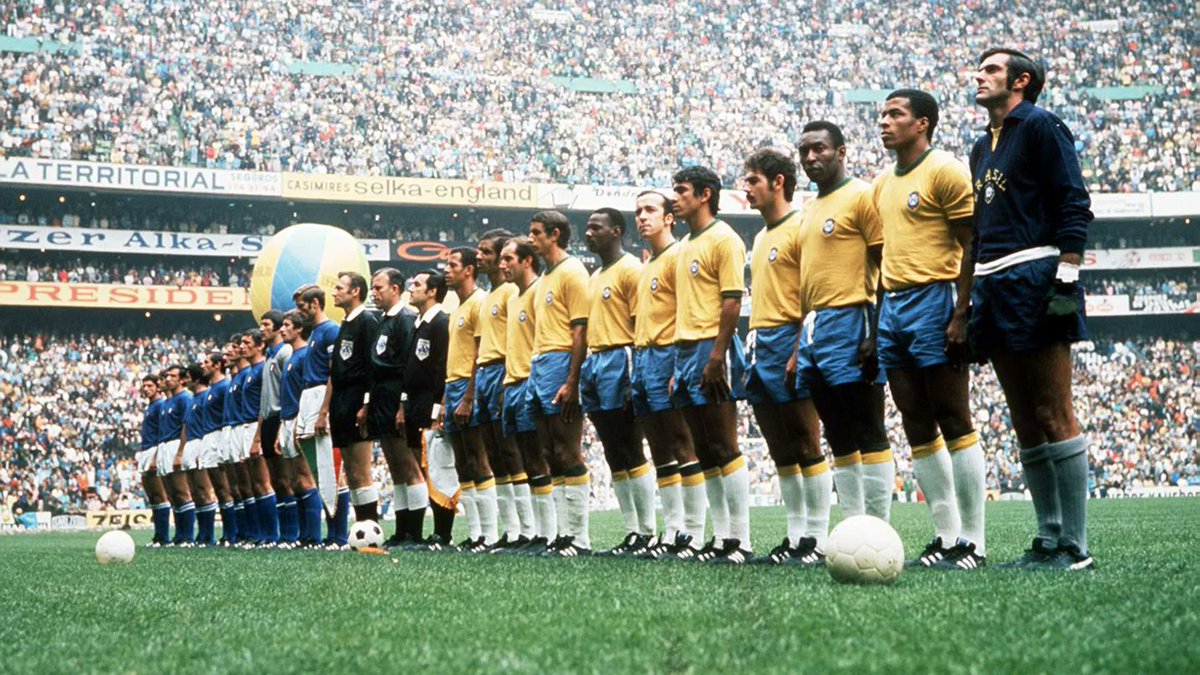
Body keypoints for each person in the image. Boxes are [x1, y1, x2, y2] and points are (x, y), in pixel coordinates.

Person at [970, 48, 1094, 570]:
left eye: (992, 69)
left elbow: (1073, 200)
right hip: (992, 282)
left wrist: (1066, 275)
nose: (980, 75)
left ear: (1021, 81)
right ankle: (1047, 539)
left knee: (1053, 410)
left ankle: (1076, 547)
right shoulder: (981, 147)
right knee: (1023, 418)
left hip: (1036, 273)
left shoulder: (1043, 126)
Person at [874, 89, 986, 570]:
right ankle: (945, 535)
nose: (884, 122)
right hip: (893, 305)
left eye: (895, 114)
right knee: (915, 420)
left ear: (923, 124)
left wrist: (961, 312)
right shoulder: (882, 183)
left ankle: (974, 543)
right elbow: (883, 255)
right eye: (882, 114)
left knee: (953, 417)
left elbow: (970, 243)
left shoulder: (945, 170)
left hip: (936, 298)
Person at [795, 121, 894, 524]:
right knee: (835, 431)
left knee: (867, 424)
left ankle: (878, 527)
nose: (810, 158)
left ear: (841, 152)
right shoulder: (809, 208)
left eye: (819, 149)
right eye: (804, 151)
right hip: (816, 326)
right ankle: (855, 524)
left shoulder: (862, 196)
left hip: (854, 316)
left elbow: (884, 263)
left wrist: (876, 328)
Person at [741, 148, 830, 566]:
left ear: (778, 182)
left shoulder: (801, 227)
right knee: (779, 445)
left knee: (804, 439)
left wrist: (798, 350)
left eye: (753, 180)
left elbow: (810, 297)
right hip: (760, 343)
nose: (746, 188)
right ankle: (795, 537)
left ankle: (817, 538)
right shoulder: (759, 237)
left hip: (790, 338)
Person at [670, 166, 752, 564]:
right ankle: (720, 538)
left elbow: (732, 300)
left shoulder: (724, 239)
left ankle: (741, 539)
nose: (675, 197)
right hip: (684, 350)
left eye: (682, 191)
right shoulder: (685, 244)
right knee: (703, 447)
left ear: (705, 194)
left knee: (723, 443)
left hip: (710, 347)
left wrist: (718, 355)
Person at [629, 191, 705, 560]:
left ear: (669, 217)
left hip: (667, 354)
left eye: (650, 210)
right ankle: (673, 529)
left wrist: (678, 365)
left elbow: (685, 313)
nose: (642, 217)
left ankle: (692, 532)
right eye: (638, 212)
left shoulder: (678, 256)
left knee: (680, 441)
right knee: (659, 448)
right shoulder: (647, 265)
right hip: (643, 358)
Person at [582, 207, 653, 557]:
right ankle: (632, 531)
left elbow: (640, 324)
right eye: (588, 227)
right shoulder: (595, 275)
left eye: (597, 227)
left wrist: (634, 376)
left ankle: (648, 531)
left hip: (620, 357)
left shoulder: (631, 270)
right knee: (612, 450)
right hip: (596, 361)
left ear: (616, 231)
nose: (589, 233)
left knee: (629, 444)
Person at [527, 210, 592, 557]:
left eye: (537, 233)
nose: (531, 238)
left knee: (567, 449)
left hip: (560, 361)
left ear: (555, 234)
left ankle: (579, 537)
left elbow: (579, 330)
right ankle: (562, 535)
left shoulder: (572, 271)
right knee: (550, 453)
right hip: (539, 363)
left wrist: (572, 378)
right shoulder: (546, 277)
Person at [473, 230, 534, 549]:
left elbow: (518, 339)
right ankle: (510, 531)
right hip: (485, 372)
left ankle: (528, 529)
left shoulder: (512, 292)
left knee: (512, 453)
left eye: (485, 252)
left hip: (504, 372)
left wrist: (510, 374)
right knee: (495, 455)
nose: (479, 257)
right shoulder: (489, 294)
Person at [497, 236, 553, 555]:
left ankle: (549, 532)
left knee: (540, 457)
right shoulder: (514, 298)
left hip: (532, 381)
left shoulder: (537, 293)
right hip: (513, 384)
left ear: (526, 260)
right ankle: (535, 532)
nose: (502, 265)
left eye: (508, 259)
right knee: (527, 461)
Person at [361, 268, 424, 547]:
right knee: (396, 468)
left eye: (378, 288)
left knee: (408, 466)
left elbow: (409, 367)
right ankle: (401, 531)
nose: (374, 293)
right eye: (373, 288)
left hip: (397, 397)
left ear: (395, 288)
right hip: (380, 397)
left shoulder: (406, 319)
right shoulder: (382, 321)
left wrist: (403, 405)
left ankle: (415, 532)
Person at [442, 247, 498, 550]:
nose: (446, 269)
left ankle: (489, 534)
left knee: (477, 458)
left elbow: (478, 353)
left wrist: (469, 396)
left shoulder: (478, 303)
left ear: (468, 270)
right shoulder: (457, 307)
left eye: (452, 265)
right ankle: (475, 532)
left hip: (467, 385)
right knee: (462, 463)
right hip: (453, 386)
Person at [294, 284, 348, 548]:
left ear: (315, 303)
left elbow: (333, 373)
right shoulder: (315, 332)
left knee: (332, 468)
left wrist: (324, 410)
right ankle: (330, 532)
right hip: (308, 398)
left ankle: (339, 534)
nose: (299, 312)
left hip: (320, 397)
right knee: (318, 470)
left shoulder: (330, 331)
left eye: (302, 307)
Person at [328, 271, 382, 531]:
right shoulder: (345, 322)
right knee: (350, 469)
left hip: (356, 398)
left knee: (361, 470)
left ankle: (371, 527)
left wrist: (366, 404)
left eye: (340, 287)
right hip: (340, 400)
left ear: (355, 291)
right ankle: (362, 525)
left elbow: (374, 367)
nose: (334, 292)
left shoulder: (368, 321)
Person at [403, 269, 453, 547]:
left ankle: (442, 533)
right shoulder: (418, 323)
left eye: (417, 284)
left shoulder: (441, 323)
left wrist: (439, 405)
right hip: (413, 401)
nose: (411, 288)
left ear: (432, 291)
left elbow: (443, 367)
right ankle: (420, 533)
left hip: (430, 402)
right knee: (421, 467)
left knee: (435, 466)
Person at [278, 309, 324, 547]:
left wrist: (299, 420)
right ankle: (303, 536)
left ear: (298, 329)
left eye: (286, 325)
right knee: (295, 481)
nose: (282, 329)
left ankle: (313, 536)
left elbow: (303, 393)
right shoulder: (292, 357)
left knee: (305, 479)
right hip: (286, 421)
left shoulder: (305, 355)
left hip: (297, 418)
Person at [255, 311, 293, 546]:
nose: (262, 328)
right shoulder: (269, 356)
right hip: (268, 419)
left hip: (281, 417)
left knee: (288, 478)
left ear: (279, 328)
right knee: (277, 480)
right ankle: (281, 534)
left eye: (266, 324)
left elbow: (289, 389)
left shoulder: (285, 353)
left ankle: (293, 533)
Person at [236, 330, 273, 546]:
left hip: (254, 426)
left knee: (262, 482)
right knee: (252, 484)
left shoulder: (261, 370)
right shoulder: (250, 371)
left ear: (260, 346)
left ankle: (272, 533)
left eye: (246, 342)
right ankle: (260, 534)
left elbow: (263, 404)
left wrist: (257, 437)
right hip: (244, 426)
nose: (242, 346)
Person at [199, 351, 236, 546]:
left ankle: (232, 532)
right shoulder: (212, 388)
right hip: (209, 436)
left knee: (225, 487)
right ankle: (227, 534)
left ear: (217, 365)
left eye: (206, 362)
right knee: (219, 489)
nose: (202, 365)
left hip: (218, 436)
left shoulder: (224, 387)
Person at [156, 364, 195, 546]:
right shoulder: (167, 402)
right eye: (167, 376)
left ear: (182, 379)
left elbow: (186, 425)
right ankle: (179, 535)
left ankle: (187, 535)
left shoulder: (184, 398)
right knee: (173, 494)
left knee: (182, 491)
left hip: (175, 445)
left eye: (172, 376)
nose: (168, 379)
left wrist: (180, 452)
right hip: (165, 445)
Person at [181, 362, 219, 546]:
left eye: (187, 376)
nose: (184, 380)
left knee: (204, 490)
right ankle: (201, 534)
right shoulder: (192, 399)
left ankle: (208, 535)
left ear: (196, 378)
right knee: (195, 492)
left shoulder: (205, 397)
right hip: (191, 443)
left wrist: (202, 447)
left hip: (200, 442)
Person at [137, 375, 171, 546]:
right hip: (145, 450)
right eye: (144, 386)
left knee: (160, 494)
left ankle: (163, 536)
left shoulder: (159, 406)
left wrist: (156, 456)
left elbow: (162, 433)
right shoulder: (150, 406)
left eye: (150, 385)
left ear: (158, 387)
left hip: (153, 450)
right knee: (153, 496)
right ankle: (158, 536)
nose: (146, 389)